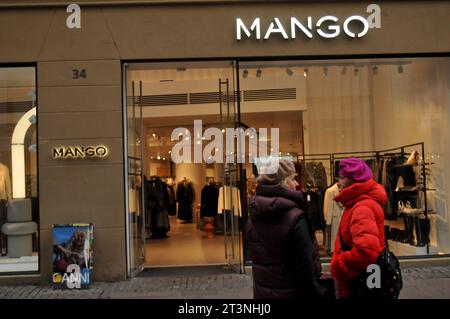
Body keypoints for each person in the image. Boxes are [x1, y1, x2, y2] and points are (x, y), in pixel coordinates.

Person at [246, 159, 331, 299]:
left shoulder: (253, 216)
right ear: (283, 183)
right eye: (293, 179)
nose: (297, 183)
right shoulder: (296, 218)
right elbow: (307, 269)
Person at [330, 157, 387, 299]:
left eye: (342, 178)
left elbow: (366, 252)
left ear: (354, 180)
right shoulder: (358, 203)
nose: (338, 183)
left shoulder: (362, 207)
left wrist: (339, 264)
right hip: (363, 280)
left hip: (357, 284)